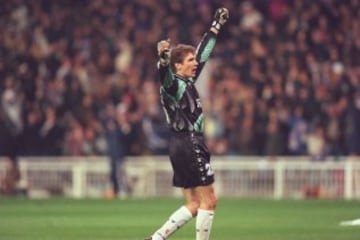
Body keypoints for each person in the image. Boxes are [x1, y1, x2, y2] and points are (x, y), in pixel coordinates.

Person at [145, 7, 229, 240]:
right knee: (209, 200)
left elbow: (203, 53)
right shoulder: (173, 85)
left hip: (179, 144)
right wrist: (163, 59)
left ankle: (156, 238)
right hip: (190, 142)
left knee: (194, 204)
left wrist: (216, 26)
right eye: (189, 60)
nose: (195, 63)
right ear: (177, 66)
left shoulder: (186, 80)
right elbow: (165, 75)